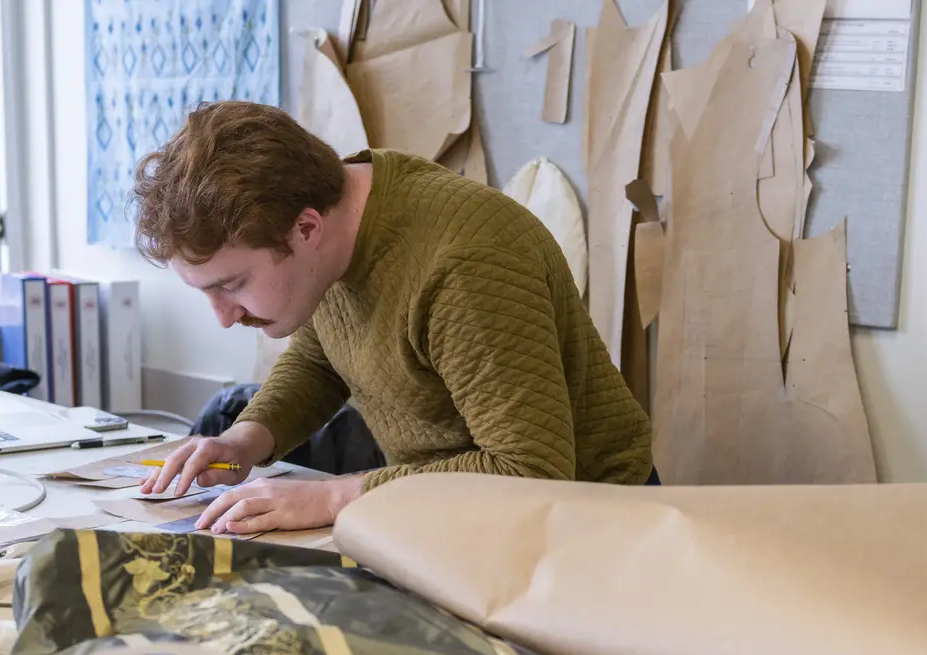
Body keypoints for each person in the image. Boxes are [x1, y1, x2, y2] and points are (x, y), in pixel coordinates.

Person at [129, 101, 654, 535]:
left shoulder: (464, 261)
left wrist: (336, 496)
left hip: (589, 524)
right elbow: (322, 358)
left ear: (305, 229)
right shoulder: (333, 223)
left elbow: (529, 471)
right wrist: (246, 439)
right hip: (456, 512)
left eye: (231, 285)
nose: (223, 317)